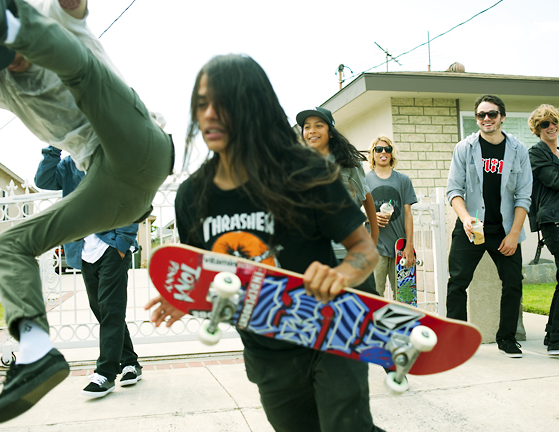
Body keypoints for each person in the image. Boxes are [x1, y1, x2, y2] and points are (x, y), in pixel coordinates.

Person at [0, 0, 173, 425]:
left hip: (139, 141)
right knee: (9, 246)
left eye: (18, 50)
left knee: (81, 70)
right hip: (112, 187)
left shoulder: (57, 14)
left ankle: (19, 22)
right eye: (5, 56)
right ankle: (36, 352)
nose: (16, 64)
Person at [145, 54, 384, 432]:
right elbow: (211, 277)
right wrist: (185, 298)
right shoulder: (192, 196)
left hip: (332, 330)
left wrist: (340, 273)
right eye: (202, 104)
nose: (209, 114)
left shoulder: (308, 173)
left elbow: (364, 250)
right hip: (267, 352)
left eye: (223, 103)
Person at [35, 145, 143, 397]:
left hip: (112, 247)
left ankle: (105, 373)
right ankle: (130, 363)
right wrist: (53, 148)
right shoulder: (69, 164)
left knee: (111, 309)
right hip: (82, 250)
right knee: (103, 311)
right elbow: (43, 180)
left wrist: (122, 241)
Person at [446, 94, 532, 358]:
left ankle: (506, 338)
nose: (486, 119)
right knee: (458, 283)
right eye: (481, 115)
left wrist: (514, 234)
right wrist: (465, 219)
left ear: (502, 117)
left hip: (504, 229)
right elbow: (454, 190)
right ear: (477, 119)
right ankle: (456, 340)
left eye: (492, 114)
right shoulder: (465, 148)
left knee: (513, 283)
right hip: (471, 227)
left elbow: (523, 196)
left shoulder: (518, 150)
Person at [296, 106, 379, 296]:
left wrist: (373, 238)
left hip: (349, 253)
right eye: (307, 127)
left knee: (364, 306)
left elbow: (366, 198)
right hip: (317, 257)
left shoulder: (348, 164)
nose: (312, 131)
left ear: (331, 132)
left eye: (319, 125)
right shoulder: (298, 166)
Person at [365, 136, 417, 299]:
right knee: (375, 296)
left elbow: (408, 214)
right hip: (374, 247)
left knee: (403, 296)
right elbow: (352, 209)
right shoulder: (364, 179)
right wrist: (370, 217)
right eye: (378, 149)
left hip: (399, 247)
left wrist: (409, 246)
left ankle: (401, 325)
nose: (383, 152)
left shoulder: (403, 180)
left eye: (387, 149)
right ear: (373, 154)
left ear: (392, 154)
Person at [527, 104, 559, 356]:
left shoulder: (558, 152)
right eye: (544, 124)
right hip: (553, 221)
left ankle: (554, 336)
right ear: (537, 130)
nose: (551, 127)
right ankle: (555, 339)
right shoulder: (536, 153)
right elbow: (553, 180)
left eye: (554, 122)